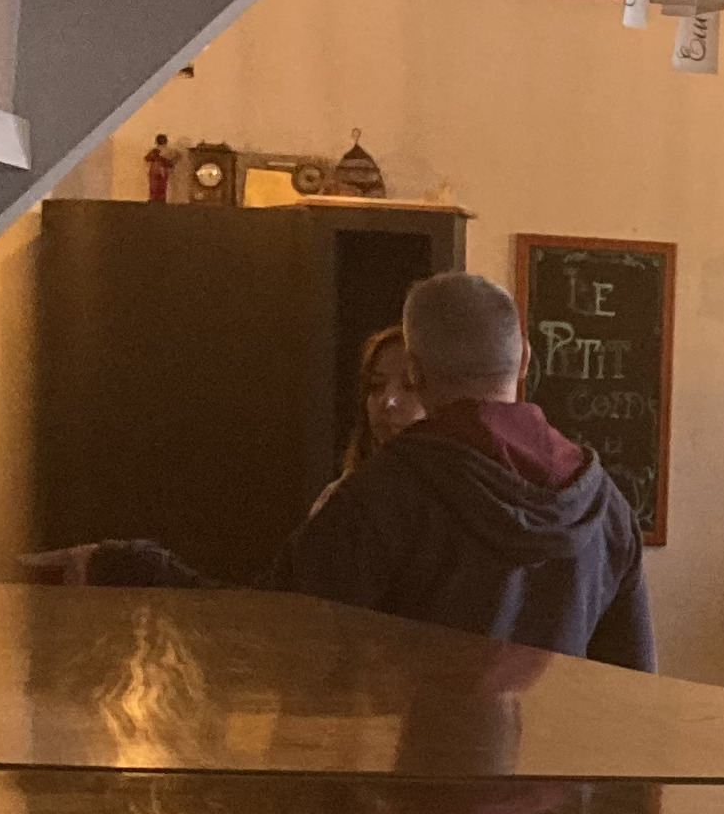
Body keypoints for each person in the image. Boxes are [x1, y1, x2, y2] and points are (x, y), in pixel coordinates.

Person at [270, 272, 655, 667]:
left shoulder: (381, 493)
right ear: (524, 359)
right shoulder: (606, 506)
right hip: (558, 730)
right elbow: (636, 683)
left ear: (416, 372)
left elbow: (283, 644)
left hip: (415, 729)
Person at [341, 323, 429, 477]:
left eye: (409, 385)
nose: (388, 402)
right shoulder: (342, 495)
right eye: (376, 385)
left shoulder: (461, 493)